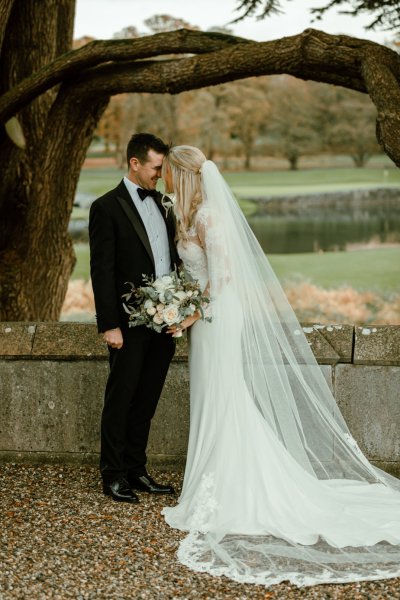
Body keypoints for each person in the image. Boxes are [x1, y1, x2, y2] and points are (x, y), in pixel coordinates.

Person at [161, 145, 400, 587]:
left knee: (223, 391)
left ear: (185, 175)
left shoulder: (210, 216)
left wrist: (191, 313)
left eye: (170, 173)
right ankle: (208, 477)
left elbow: (224, 275)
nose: (165, 179)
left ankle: (230, 483)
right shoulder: (186, 214)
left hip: (216, 316)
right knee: (210, 393)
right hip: (202, 317)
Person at [89, 133, 179, 503]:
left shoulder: (163, 203)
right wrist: (110, 324)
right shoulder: (105, 207)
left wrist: (181, 309)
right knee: (121, 397)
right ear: (135, 163)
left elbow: (171, 261)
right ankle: (112, 474)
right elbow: (102, 270)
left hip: (164, 322)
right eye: (156, 167)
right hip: (127, 324)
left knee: (147, 398)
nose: (160, 174)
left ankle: (136, 469)